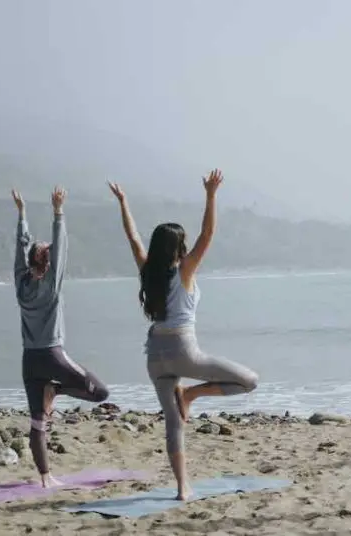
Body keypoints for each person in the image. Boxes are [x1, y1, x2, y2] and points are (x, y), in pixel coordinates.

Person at [108, 170, 259, 501]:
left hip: (154, 357)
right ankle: (191, 394)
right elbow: (208, 234)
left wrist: (123, 202)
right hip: (182, 350)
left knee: (173, 424)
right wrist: (211, 194)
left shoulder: (148, 271)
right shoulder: (184, 271)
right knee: (249, 381)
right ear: (179, 247)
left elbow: (133, 238)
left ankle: (182, 488)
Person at [12, 186, 111, 489]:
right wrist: (58, 212)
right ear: (49, 262)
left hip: (29, 360)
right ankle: (56, 391)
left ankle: (45, 478)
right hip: (53, 355)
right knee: (100, 392)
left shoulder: (21, 282)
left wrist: (23, 215)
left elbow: (21, 247)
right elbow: (62, 249)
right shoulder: (51, 285)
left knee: (38, 422)